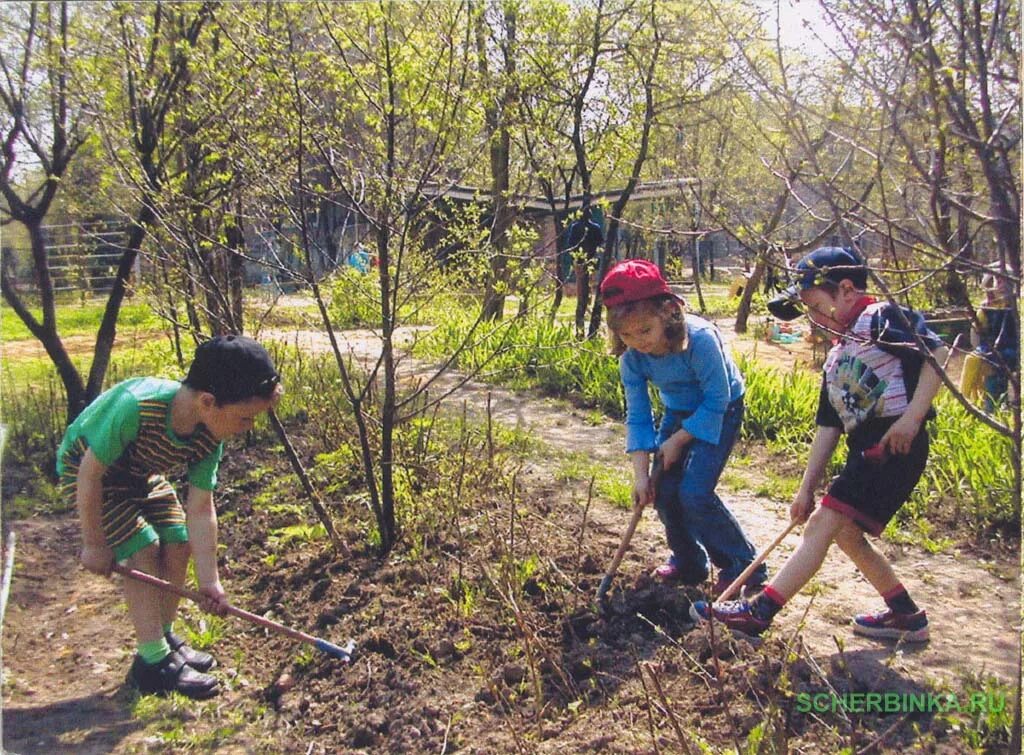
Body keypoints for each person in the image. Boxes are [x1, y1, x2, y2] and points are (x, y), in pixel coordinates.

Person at [691, 246, 947, 643]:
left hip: (894, 448)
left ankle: (759, 612)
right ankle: (906, 615)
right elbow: (829, 426)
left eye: (812, 305)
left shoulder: (880, 318)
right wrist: (806, 487)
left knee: (822, 526)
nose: (810, 319)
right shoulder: (837, 355)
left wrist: (912, 419)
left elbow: (936, 352)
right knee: (844, 534)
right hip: (865, 453)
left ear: (846, 290)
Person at [57, 335, 283, 698]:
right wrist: (94, 543)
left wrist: (209, 581)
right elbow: (89, 474)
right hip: (90, 475)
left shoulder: (210, 435)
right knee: (142, 545)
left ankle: (160, 638)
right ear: (208, 402)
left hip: (139, 474)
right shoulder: (137, 407)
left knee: (178, 540)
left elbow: (200, 507)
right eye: (245, 417)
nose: (249, 427)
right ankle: (152, 665)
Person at [600, 259, 767, 596]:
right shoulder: (632, 358)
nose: (638, 341)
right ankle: (689, 561)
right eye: (627, 334)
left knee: (694, 492)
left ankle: (743, 567)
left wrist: (678, 440)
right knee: (661, 492)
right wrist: (641, 476)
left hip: (721, 408)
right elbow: (638, 416)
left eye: (644, 330)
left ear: (667, 312)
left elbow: (717, 398)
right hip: (677, 410)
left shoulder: (700, 340)